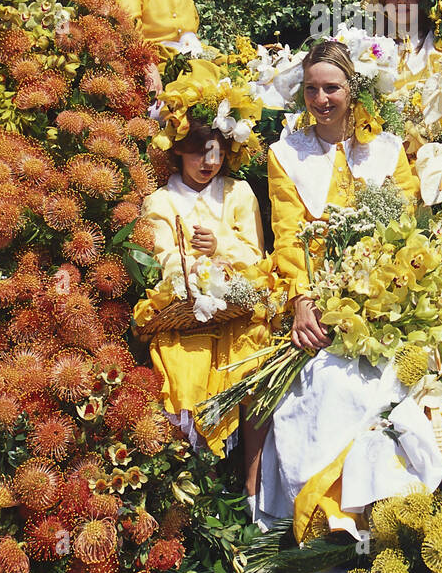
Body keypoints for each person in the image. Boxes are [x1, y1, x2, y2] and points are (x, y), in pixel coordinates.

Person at [258, 40, 418, 529]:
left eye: (332, 88)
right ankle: (321, 517)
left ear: (355, 89)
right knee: (319, 385)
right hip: (317, 295)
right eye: (311, 89)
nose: (320, 100)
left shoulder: (388, 151)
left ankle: (384, 511)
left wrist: (381, 292)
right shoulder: (286, 154)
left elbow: (406, 231)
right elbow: (288, 236)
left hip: (384, 298)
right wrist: (303, 301)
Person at [133, 99, 267, 496]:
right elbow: (164, 258)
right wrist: (193, 269)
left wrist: (220, 246)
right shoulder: (160, 202)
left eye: (217, 153)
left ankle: (250, 486)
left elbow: (256, 257)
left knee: (251, 357)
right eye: (198, 152)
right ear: (178, 150)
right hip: (184, 313)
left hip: (239, 310)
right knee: (182, 365)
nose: (208, 163)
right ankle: (187, 478)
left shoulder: (238, 193)